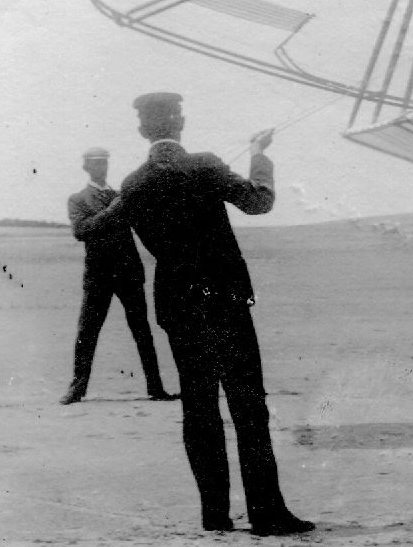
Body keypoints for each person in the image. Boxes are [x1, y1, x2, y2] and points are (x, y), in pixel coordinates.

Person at [102, 92, 314, 536]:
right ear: (182, 124)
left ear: (143, 131)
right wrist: (259, 155)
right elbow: (259, 202)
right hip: (225, 299)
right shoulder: (205, 164)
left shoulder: (132, 183)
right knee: (248, 406)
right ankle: (266, 512)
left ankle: (214, 514)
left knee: (199, 409)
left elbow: (105, 227)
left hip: (177, 304)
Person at [61, 147, 178, 405]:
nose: (101, 168)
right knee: (87, 332)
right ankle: (77, 389)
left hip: (129, 273)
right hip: (98, 276)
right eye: (96, 164)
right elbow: (82, 230)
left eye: (104, 164)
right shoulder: (78, 199)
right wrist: (113, 210)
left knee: (142, 332)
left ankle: (155, 388)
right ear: (86, 168)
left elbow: (144, 224)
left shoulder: (121, 196)